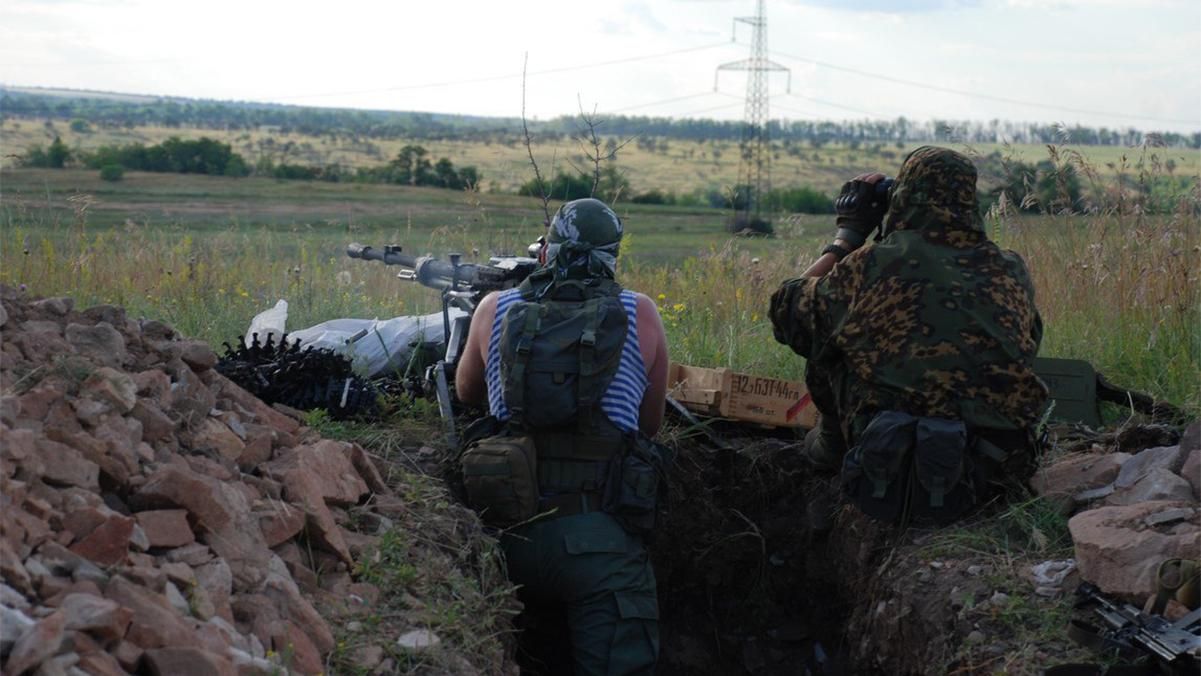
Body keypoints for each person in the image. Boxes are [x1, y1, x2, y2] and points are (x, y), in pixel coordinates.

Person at [769, 146, 1048, 521]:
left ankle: (832, 448)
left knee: (830, 343)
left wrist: (846, 237)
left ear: (903, 198)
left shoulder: (871, 264)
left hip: (889, 452)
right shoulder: (1010, 267)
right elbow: (1030, 342)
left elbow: (787, 310)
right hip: (995, 460)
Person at [456, 197, 669, 675]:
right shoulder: (642, 314)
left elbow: (467, 392)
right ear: (613, 257)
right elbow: (648, 425)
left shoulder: (495, 307)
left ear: (546, 251)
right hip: (602, 541)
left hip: (505, 531)